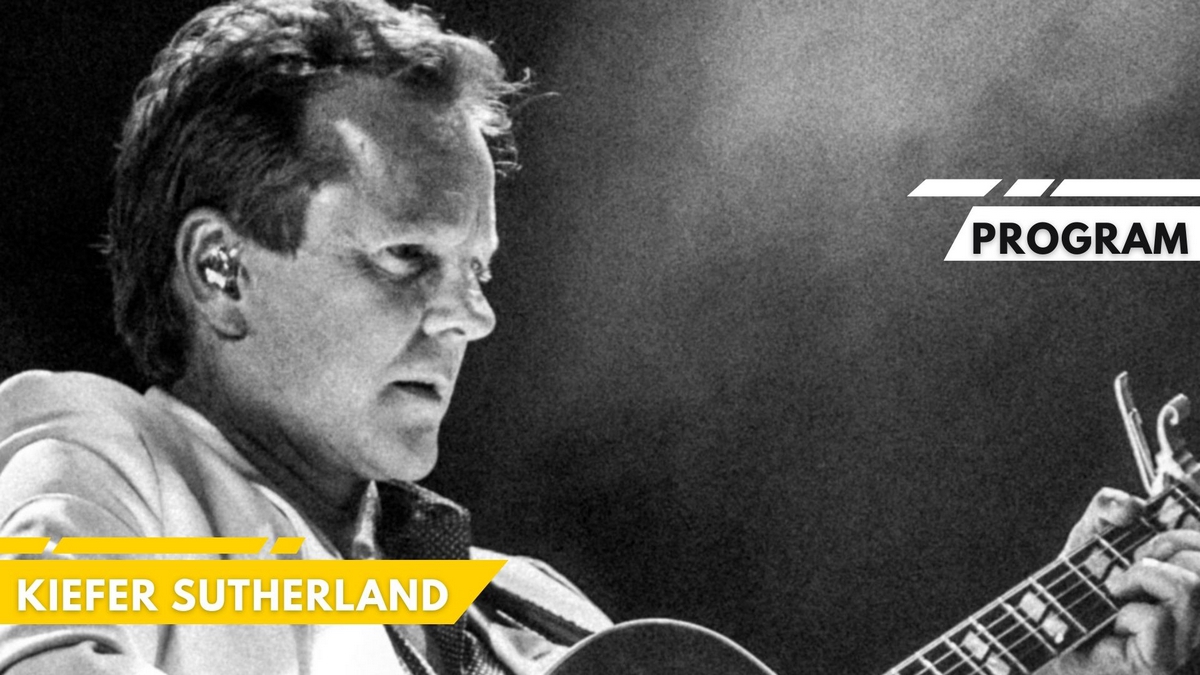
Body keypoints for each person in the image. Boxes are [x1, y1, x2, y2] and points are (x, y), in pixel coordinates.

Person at [0, 1, 1197, 674]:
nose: (471, 316)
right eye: (408, 258)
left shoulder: (523, 609)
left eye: (477, 270)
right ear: (221, 272)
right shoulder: (103, 456)